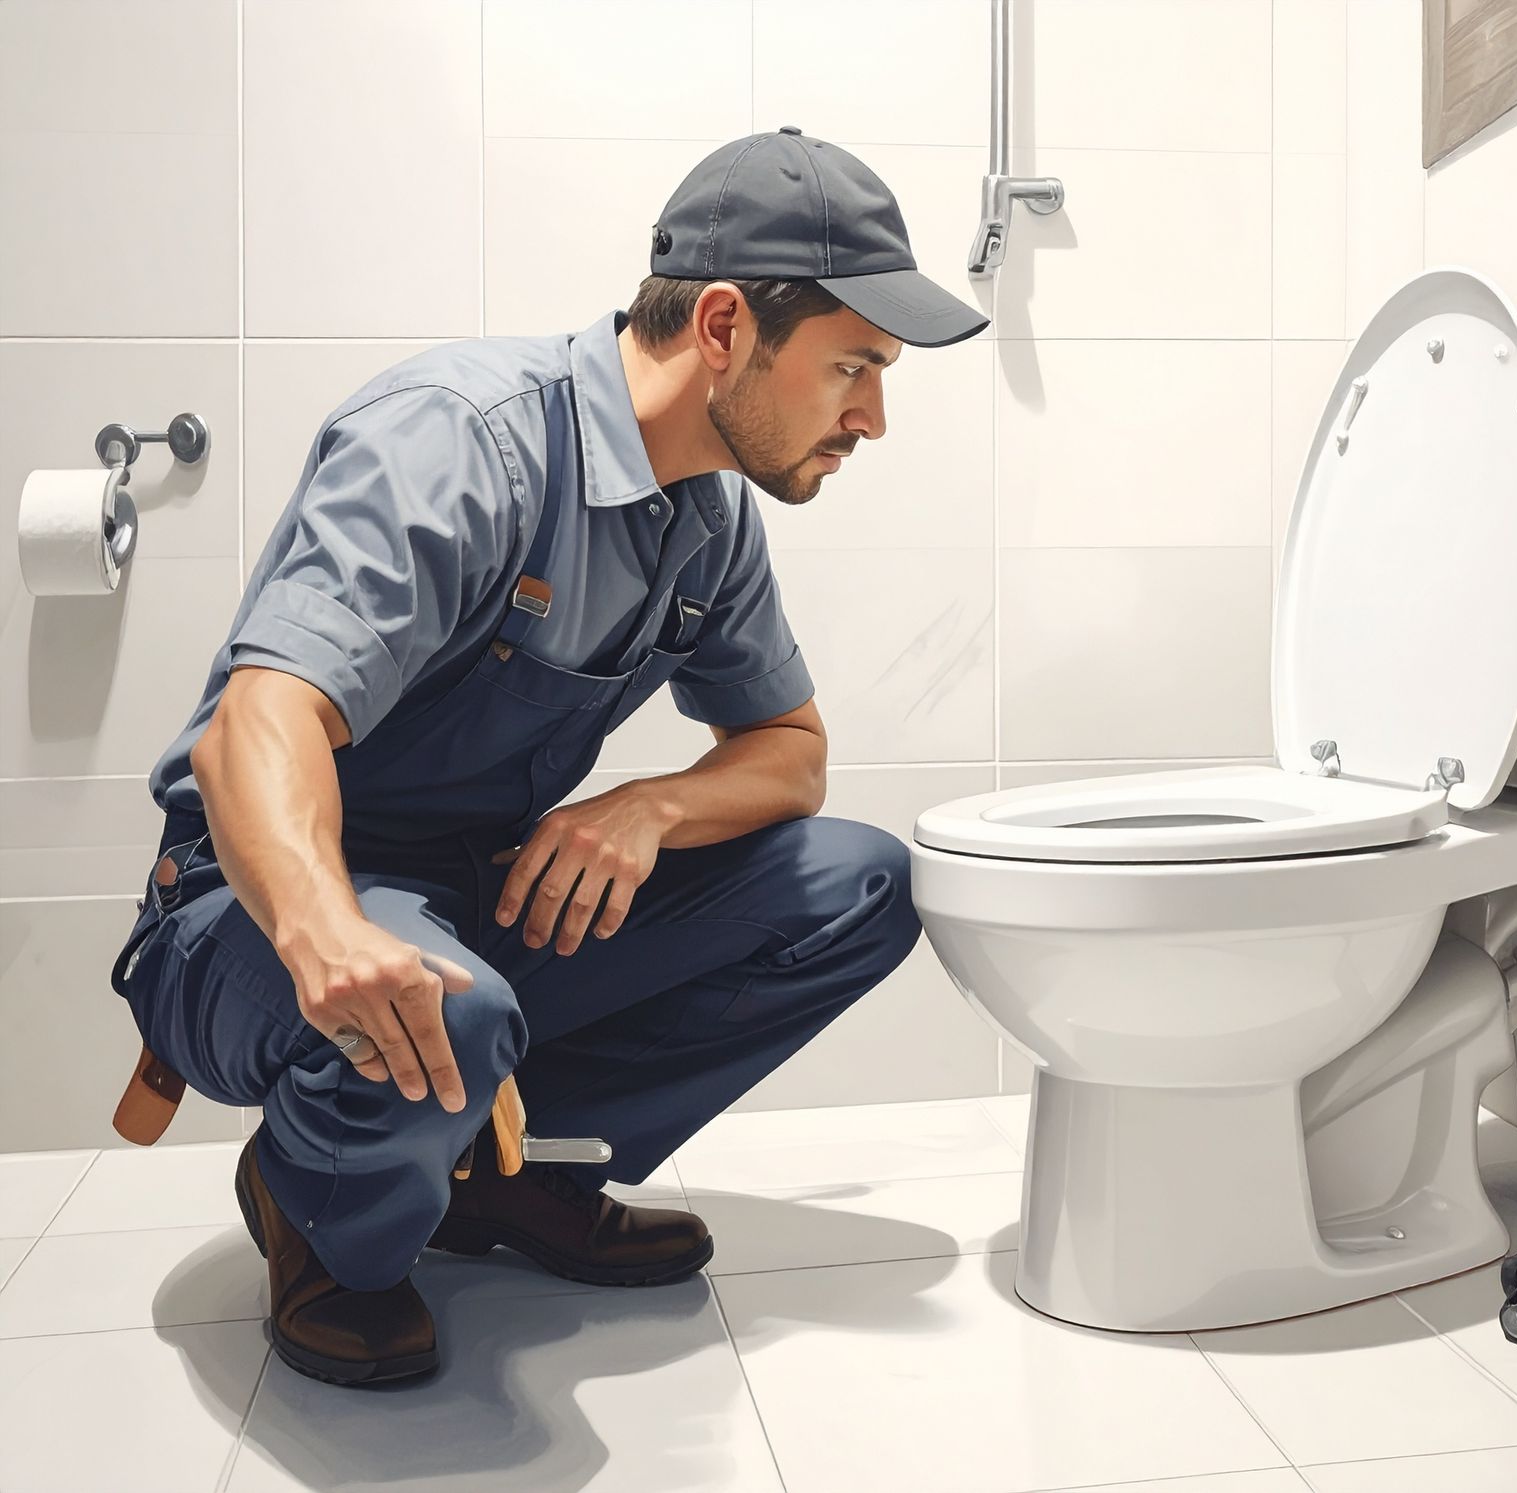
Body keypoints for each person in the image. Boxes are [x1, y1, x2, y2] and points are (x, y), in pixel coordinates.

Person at [105, 127, 991, 1388]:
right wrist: (324, 934)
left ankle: (510, 1181)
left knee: (856, 885)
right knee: (446, 1004)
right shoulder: (461, 439)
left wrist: (649, 806)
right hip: (246, 905)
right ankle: (317, 1201)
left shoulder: (708, 513)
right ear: (727, 325)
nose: (875, 417)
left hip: (477, 886)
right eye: (854, 365)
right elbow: (263, 718)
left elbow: (791, 756)